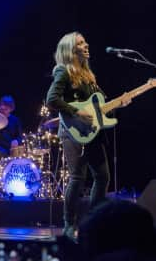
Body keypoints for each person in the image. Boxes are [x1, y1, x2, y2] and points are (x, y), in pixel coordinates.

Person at [44, 32, 130, 240]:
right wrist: (76, 112)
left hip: (92, 132)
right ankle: (68, 224)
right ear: (70, 49)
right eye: (81, 43)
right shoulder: (64, 71)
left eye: (85, 41)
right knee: (77, 177)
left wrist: (120, 102)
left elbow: (99, 106)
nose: (86, 44)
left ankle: (93, 221)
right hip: (72, 132)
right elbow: (51, 99)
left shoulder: (88, 75)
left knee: (103, 176)